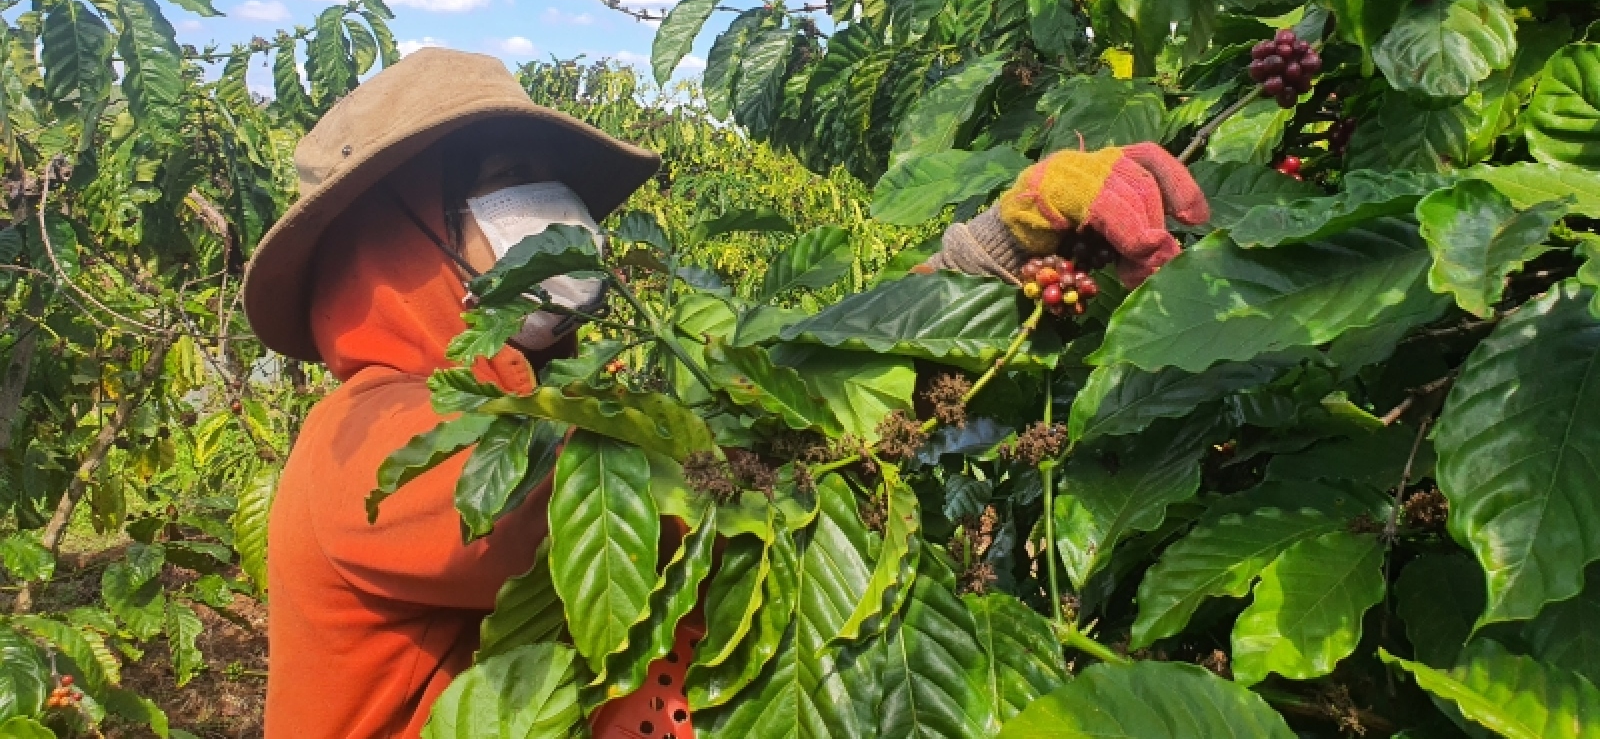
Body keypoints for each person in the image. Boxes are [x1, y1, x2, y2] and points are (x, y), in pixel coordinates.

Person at [241, 48, 1206, 739]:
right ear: (397, 236)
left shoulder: (570, 395)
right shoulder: (366, 444)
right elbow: (695, 470)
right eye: (506, 180)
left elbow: (757, 414)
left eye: (549, 182)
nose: (552, 212)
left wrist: (991, 255)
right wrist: (953, 285)